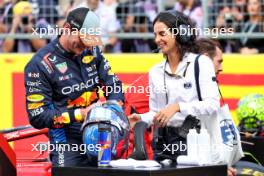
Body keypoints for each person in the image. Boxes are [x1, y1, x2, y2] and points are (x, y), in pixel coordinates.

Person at [24, 7, 124, 167]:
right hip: (66, 139)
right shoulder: (40, 64)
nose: (86, 45)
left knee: (108, 170)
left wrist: (115, 108)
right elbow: (38, 116)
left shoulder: (93, 51)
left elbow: (114, 85)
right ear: (67, 29)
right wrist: (81, 114)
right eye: (83, 39)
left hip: (101, 132)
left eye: (89, 41)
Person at [129, 11, 220, 160]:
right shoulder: (155, 72)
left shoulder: (201, 63)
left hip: (196, 144)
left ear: (181, 33)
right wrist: (141, 118)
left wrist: (178, 107)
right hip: (163, 145)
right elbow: (157, 113)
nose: (157, 39)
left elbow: (212, 105)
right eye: (155, 35)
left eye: (162, 34)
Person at [195, 38, 237, 176]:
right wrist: (215, 168)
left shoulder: (208, 86)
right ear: (206, 59)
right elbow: (195, 137)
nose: (221, 68)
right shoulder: (193, 89)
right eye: (219, 61)